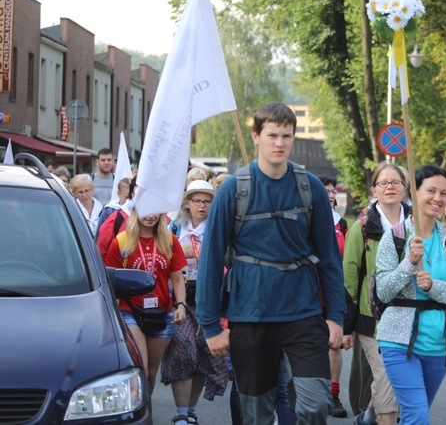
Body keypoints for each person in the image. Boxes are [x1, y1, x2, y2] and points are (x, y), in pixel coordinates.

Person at [197, 102, 345, 424]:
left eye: (286, 136)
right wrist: (210, 326)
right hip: (250, 314)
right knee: (255, 413)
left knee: (314, 404)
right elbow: (209, 261)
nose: (280, 143)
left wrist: (335, 316)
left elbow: (331, 260)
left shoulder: (311, 188)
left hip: (303, 314)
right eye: (272, 135)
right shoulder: (233, 190)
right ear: (256, 136)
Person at [375, 164, 446, 424]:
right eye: (431, 190)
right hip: (398, 341)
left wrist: (433, 287)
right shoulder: (393, 237)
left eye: (444, 193)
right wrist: (408, 262)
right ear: (413, 193)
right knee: (417, 416)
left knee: (415, 414)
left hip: (440, 345)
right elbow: (383, 291)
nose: (438, 199)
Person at [342, 162, 409, 425]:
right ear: (374, 189)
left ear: (405, 189)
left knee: (395, 378)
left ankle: (367, 417)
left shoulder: (420, 226)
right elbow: (349, 278)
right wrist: (346, 326)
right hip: (374, 321)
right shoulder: (361, 228)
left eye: (396, 182)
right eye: (384, 182)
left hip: (411, 318)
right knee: (385, 375)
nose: (390, 187)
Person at [161, 180, 229, 425]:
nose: (202, 206)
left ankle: (190, 409)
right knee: (182, 349)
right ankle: (180, 413)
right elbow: (160, 259)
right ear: (187, 203)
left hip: (210, 299)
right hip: (181, 300)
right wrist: (180, 251)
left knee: (203, 353)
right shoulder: (173, 229)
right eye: (197, 200)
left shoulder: (219, 229)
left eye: (207, 201)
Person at [104, 207, 188, 394]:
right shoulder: (121, 241)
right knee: (141, 366)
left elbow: (177, 278)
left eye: (155, 211)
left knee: (150, 373)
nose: (150, 215)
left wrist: (181, 304)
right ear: (135, 212)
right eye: (146, 211)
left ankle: (145, 408)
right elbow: (111, 280)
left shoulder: (170, 240)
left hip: (161, 312)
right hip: (130, 310)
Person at [318, 174, 348, 418]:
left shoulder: (343, 224)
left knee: (333, 344)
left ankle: (333, 394)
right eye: (325, 190)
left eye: (332, 191)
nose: (330, 195)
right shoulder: (307, 220)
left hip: (333, 293)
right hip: (307, 294)